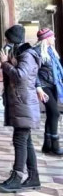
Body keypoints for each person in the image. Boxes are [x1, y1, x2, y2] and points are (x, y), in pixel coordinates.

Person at [0, 24, 42, 192]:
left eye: (7, 39)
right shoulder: (21, 54)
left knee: (20, 140)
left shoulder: (27, 55)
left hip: (24, 103)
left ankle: (16, 178)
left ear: (13, 40)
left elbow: (20, 76)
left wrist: (5, 63)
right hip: (21, 102)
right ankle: (33, 177)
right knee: (26, 141)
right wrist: (8, 62)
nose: (5, 42)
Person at [36, 27, 63, 156]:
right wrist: (39, 88)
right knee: (55, 113)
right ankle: (55, 145)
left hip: (54, 86)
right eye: (52, 36)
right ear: (46, 38)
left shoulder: (51, 50)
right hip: (44, 86)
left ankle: (47, 146)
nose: (54, 38)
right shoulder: (37, 51)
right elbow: (33, 72)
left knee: (51, 114)